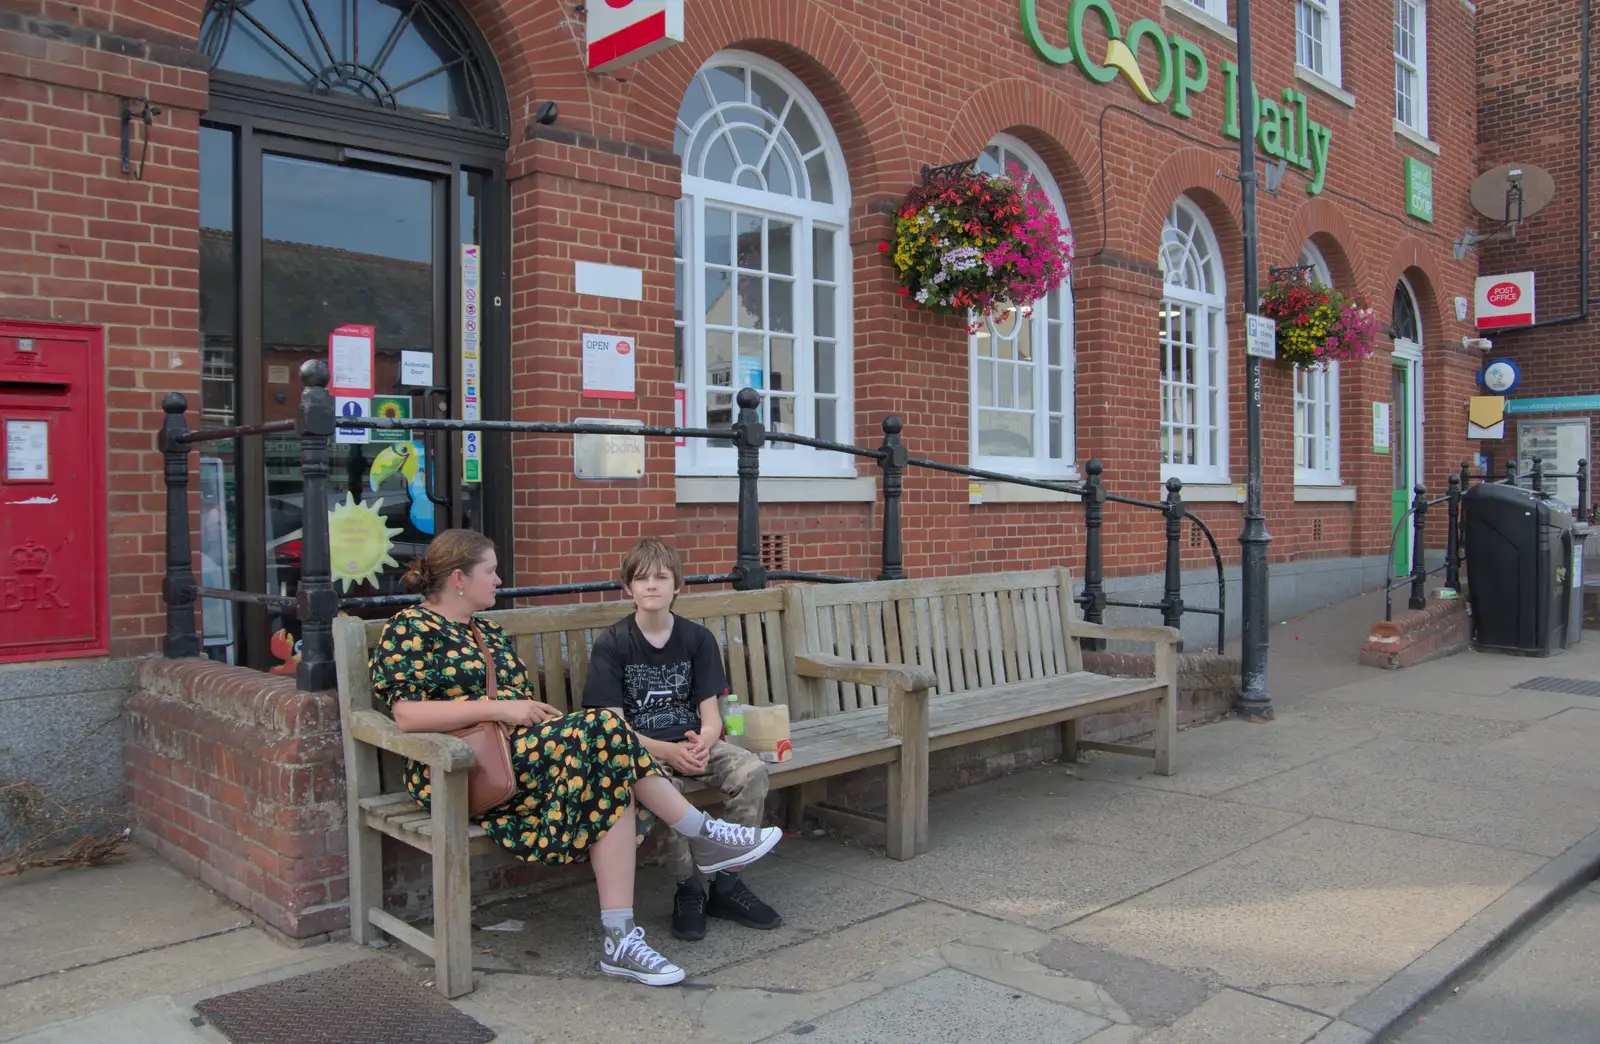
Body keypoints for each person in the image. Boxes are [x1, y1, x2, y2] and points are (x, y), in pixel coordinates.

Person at [369, 529, 782, 986]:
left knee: (613, 781)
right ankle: (704, 835)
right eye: (490, 570)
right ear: (458, 579)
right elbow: (406, 715)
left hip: (520, 755)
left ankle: (619, 940)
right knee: (606, 728)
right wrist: (503, 708)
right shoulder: (409, 627)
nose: (500, 579)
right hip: (459, 769)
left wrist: (531, 718)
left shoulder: (486, 631)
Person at [582, 537, 783, 942]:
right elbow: (614, 729)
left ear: (678, 586)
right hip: (641, 752)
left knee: (752, 771)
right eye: (641, 579)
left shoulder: (697, 640)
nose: (651, 586)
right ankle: (688, 888)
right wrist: (668, 752)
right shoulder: (613, 644)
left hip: (692, 744)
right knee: (666, 790)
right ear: (628, 588)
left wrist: (702, 743)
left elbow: (711, 717)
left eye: (661, 577)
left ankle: (727, 884)